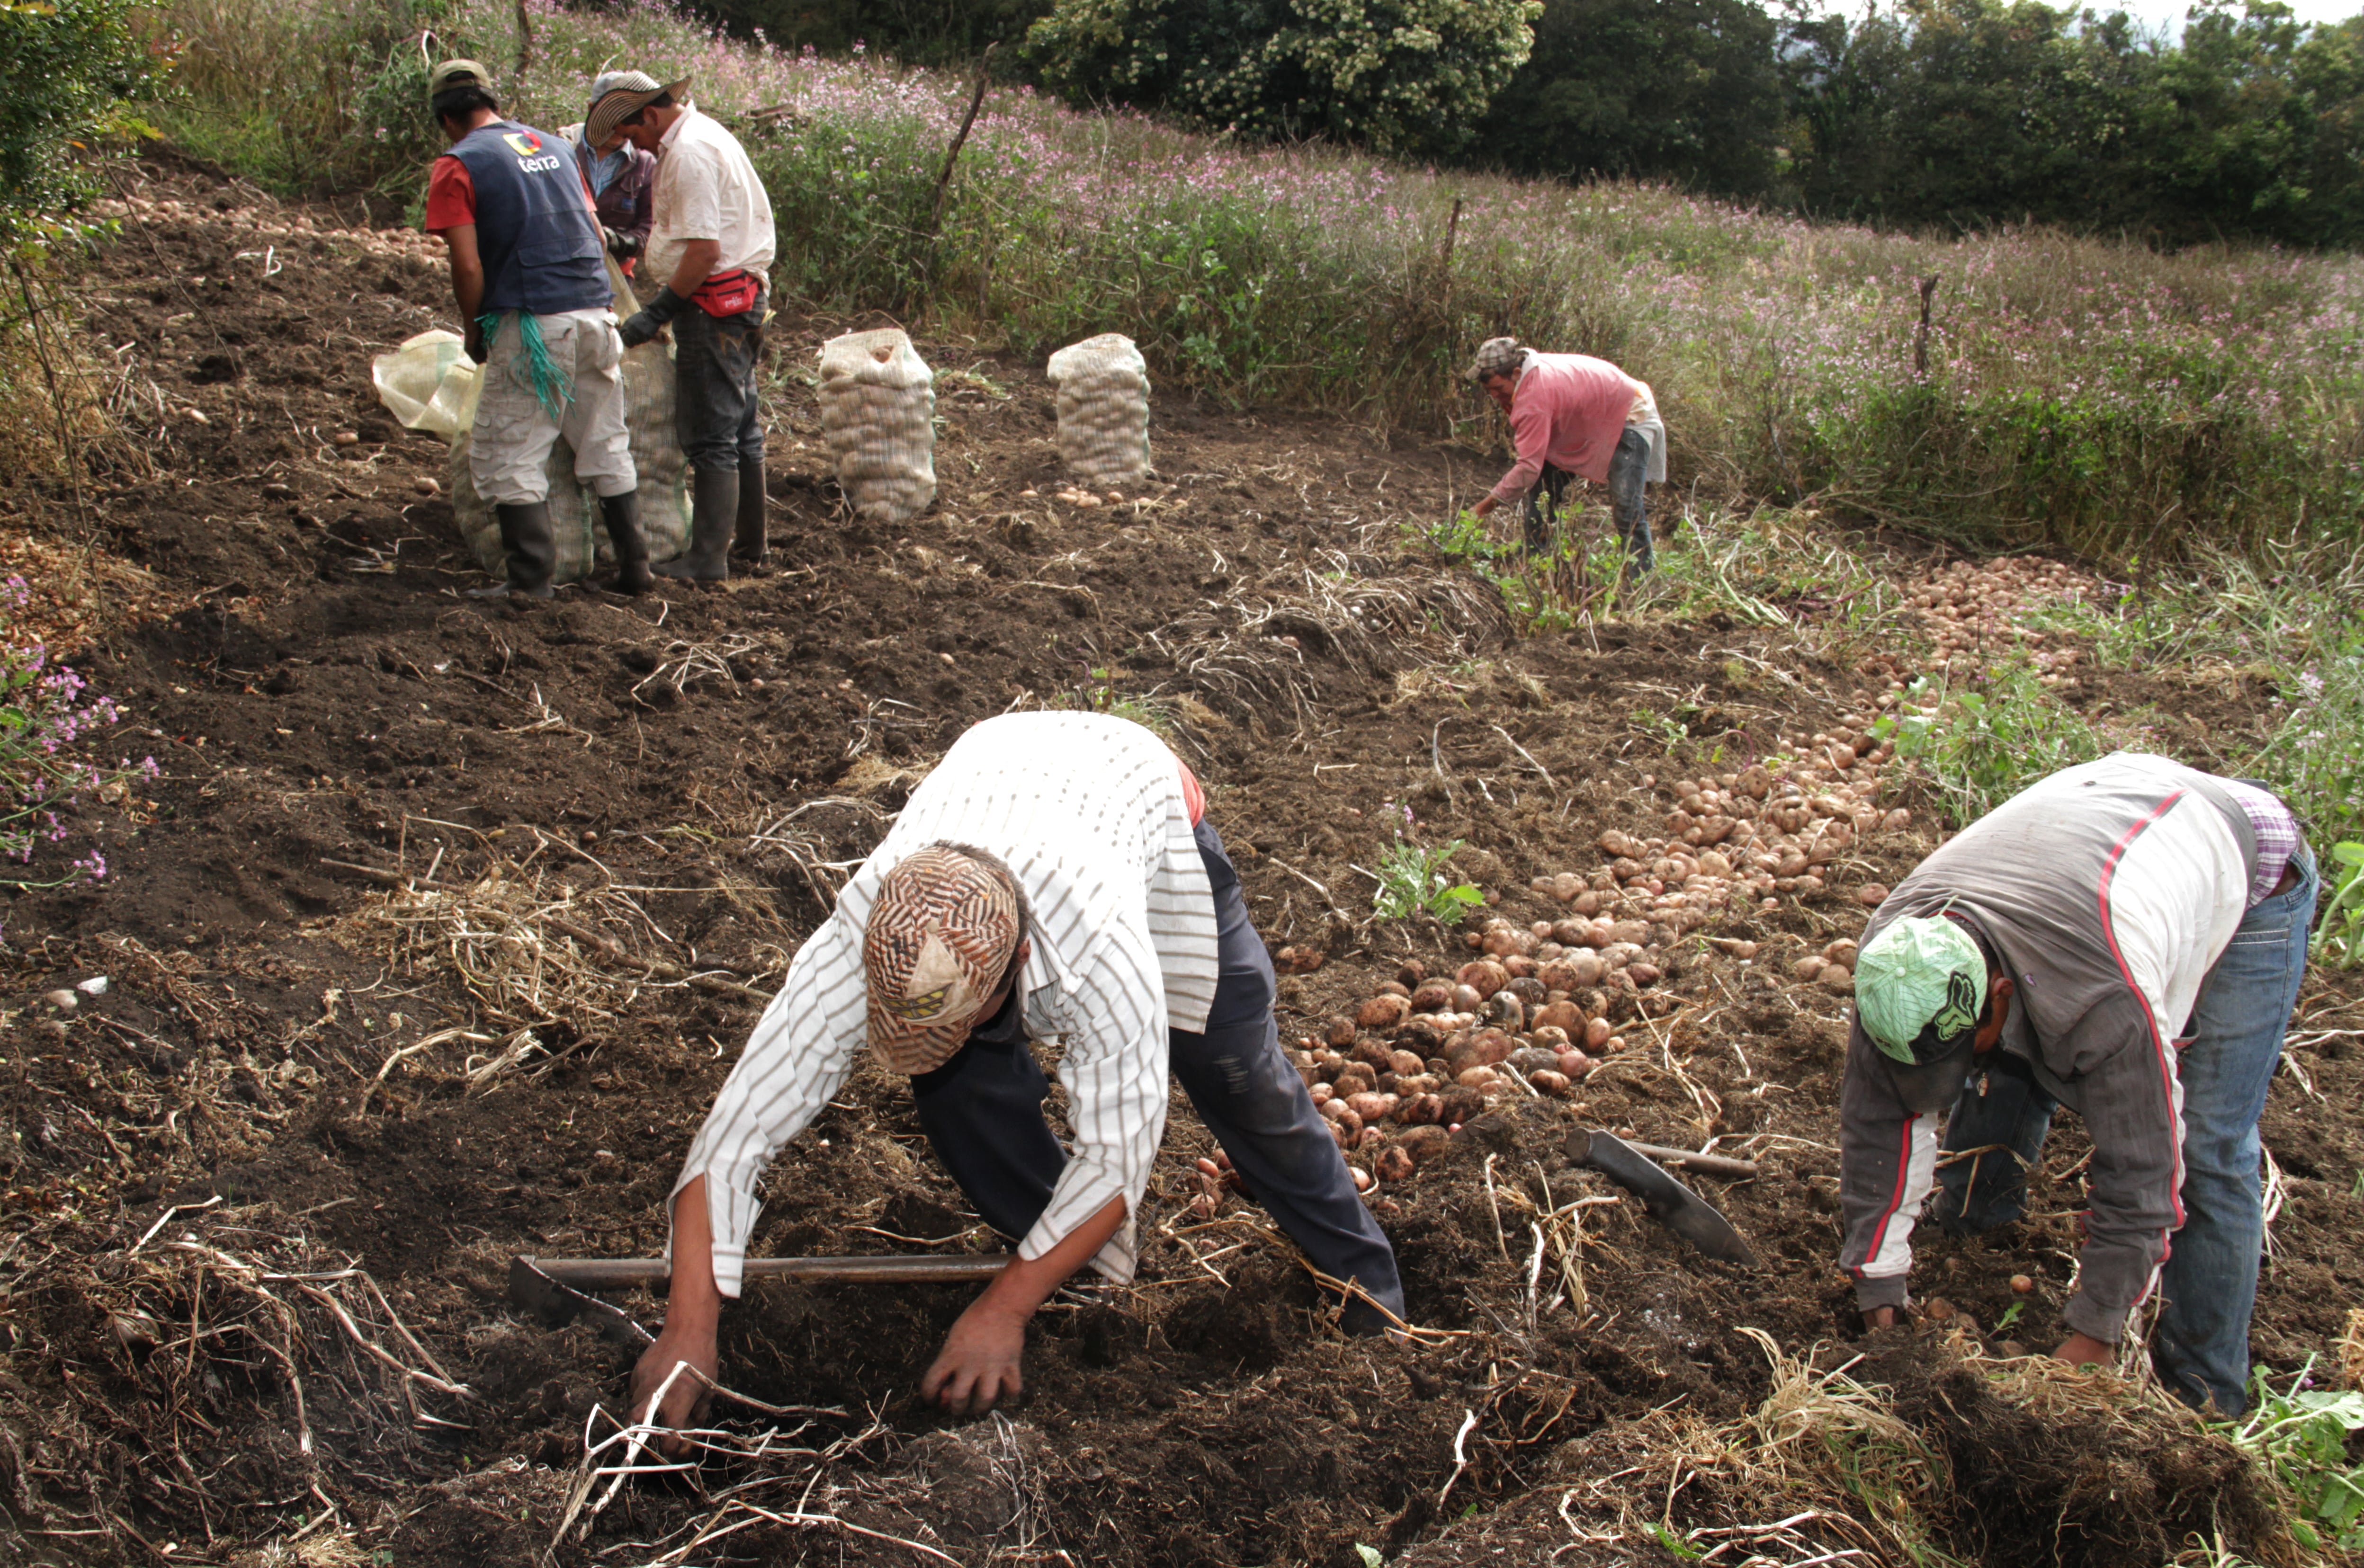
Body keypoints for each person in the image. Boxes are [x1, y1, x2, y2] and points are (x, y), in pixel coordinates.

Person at [631, 712, 1405, 1438]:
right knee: (956, 1093)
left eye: (958, 1016)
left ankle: (1372, 1297)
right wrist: (689, 1324)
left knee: (1236, 1078)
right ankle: (1078, 1270)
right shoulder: (867, 935)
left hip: (1137, 798)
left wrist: (1000, 1311)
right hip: (1001, 768)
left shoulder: (1105, 946)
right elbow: (735, 1135)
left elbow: (1117, 1156)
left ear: (1020, 964)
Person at [1838, 752, 2315, 1416]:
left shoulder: (2108, 998)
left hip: (2243, 861)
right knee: (2003, 1059)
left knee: (2205, 1146)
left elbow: (2145, 1167)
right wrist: (1878, 1278)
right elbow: (1877, 1122)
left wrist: (2096, 1327)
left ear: (1998, 994)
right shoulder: (1896, 963)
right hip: (2095, 830)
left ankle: (2204, 1400)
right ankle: (1978, 1224)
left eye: (1968, 1043)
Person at [423, 59, 651, 597]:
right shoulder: (552, 146)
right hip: (597, 314)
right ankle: (636, 570)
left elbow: (468, 264)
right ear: (494, 103)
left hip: (532, 323)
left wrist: (475, 329)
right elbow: (595, 233)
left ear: (446, 119)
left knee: (510, 447)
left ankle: (529, 582)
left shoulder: (457, 164)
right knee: (604, 439)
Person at [586, 73, 776, 582]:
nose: (635, 146)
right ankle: (750, 548)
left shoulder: (688, 152)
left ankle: (709, 559)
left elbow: (704, 251)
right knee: (741, 427)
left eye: (633, 134)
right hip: (742, 298)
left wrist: (658, 311)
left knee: (711, 431)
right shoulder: (706, 134)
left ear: (649, 115)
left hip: (713, 305)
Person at [1467, 337, 1666, 574]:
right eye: (1489, 390)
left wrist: (1483, 508)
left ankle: (1640, 578)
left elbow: (1528, 467)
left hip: (1631, 413)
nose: (1494, 396)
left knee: (1626, 503)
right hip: (1593, 416)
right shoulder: (1527, 373)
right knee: (1543, 486)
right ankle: (1534, 564)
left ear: (1517, 373)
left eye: (1499, 389)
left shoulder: (1534, 397)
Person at [557, 71, 659, 274]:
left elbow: (649, 229)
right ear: (592, 109)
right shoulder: (563, 145)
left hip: (614, 273)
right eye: (609, 115)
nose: (616, 125)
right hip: (560, 268)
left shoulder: (644, 162)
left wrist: (617, 242)